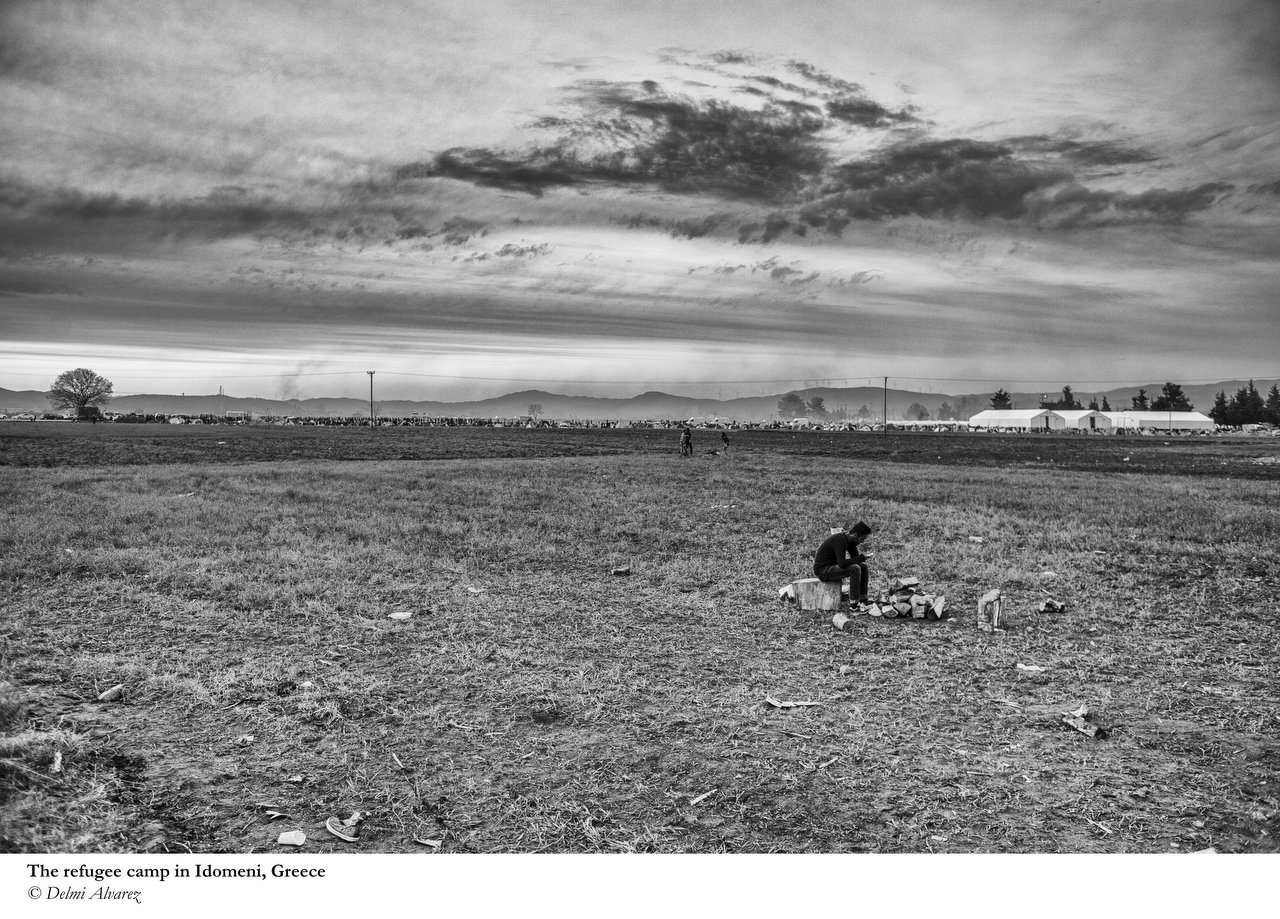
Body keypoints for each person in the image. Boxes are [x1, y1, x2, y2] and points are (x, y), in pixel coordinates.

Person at [813, 521, 873, 607]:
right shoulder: (840, 540)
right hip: (822, 571)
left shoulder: (851, 541)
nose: (862, 542)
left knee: (863, 566)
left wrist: (861, 558)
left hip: (832, 567)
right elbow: (842, 563)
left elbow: (855, 559)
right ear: (855, 535)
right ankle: (854, 604)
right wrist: (862, 557)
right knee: (855, 568)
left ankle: (863, 599)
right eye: (862, 539)